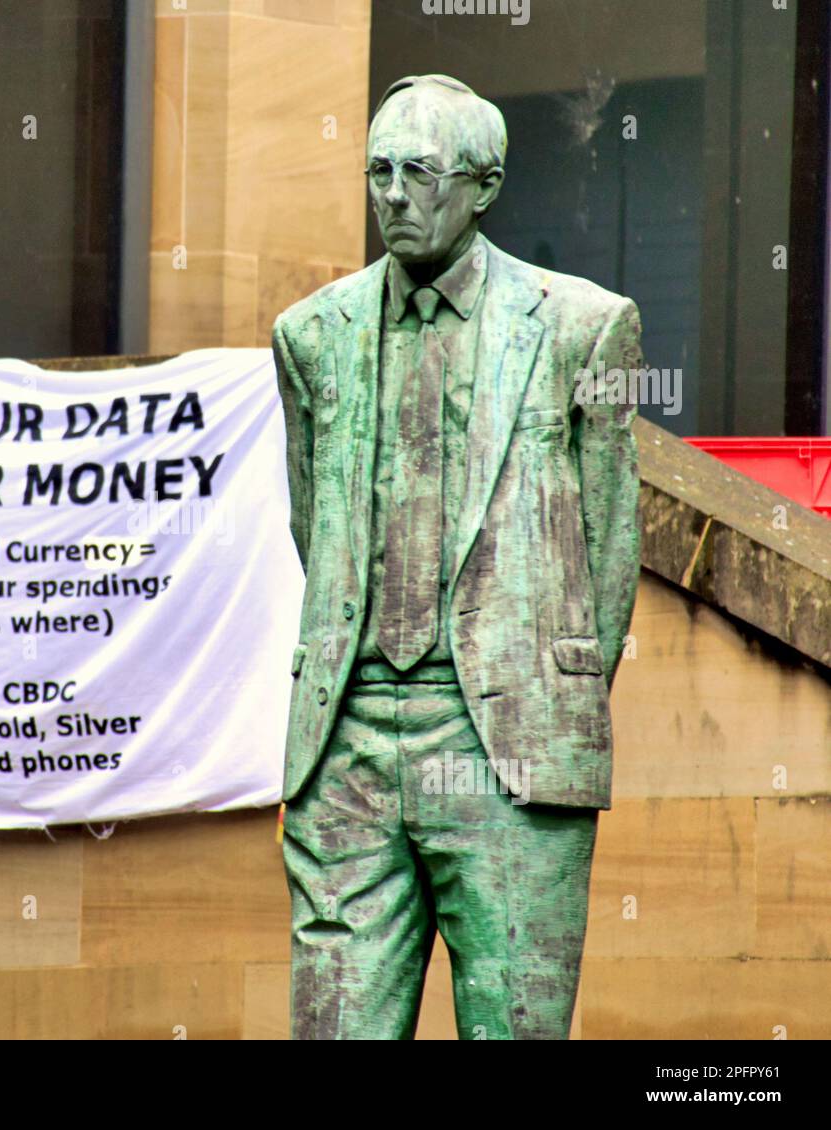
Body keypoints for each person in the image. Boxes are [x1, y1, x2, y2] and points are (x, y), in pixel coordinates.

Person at [272, 73, 642, 1039]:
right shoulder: (312, 336)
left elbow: (609, 547)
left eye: (419, 173)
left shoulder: (580, 328)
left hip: (505, 746)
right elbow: (319, 530)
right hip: (348, 745)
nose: (393, 194)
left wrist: (542, 693)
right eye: (378, 171)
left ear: (483, 184)